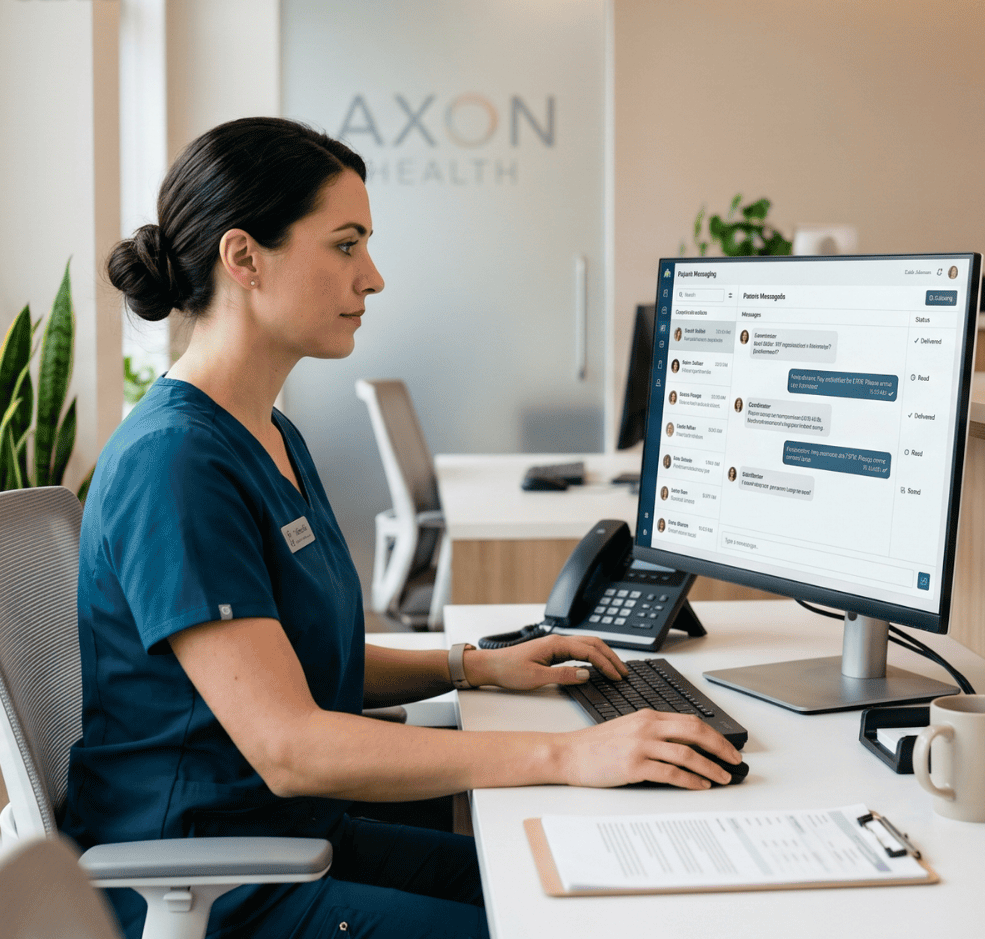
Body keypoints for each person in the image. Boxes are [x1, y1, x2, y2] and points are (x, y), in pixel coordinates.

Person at [67, 118, 741, 939]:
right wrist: (568, 757)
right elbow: (291, 747)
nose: (374, 277)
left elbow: (301, 662)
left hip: (301, 839)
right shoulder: (176, 465)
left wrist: (477, 667)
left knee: (583, 889)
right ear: (243, 259)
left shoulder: (264, 433)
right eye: (346, 245)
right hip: (218, 881)